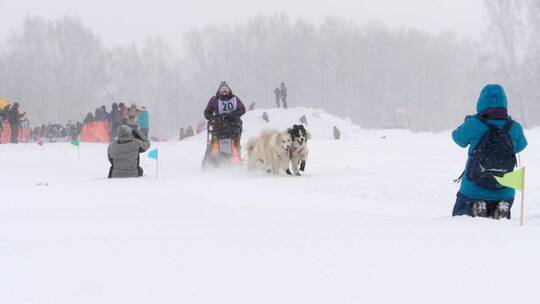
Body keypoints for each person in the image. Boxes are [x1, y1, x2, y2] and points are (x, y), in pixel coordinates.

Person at [452, 84, 527, 219]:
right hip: (505, 192)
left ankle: (478, 206)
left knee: (460, 220)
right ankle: (501, 208)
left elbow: (457, 138)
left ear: (480, 103)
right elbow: (521, 146)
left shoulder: (474, 124)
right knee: (503, 200)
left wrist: (472, 119)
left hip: (473, 190)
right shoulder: (514, 127)